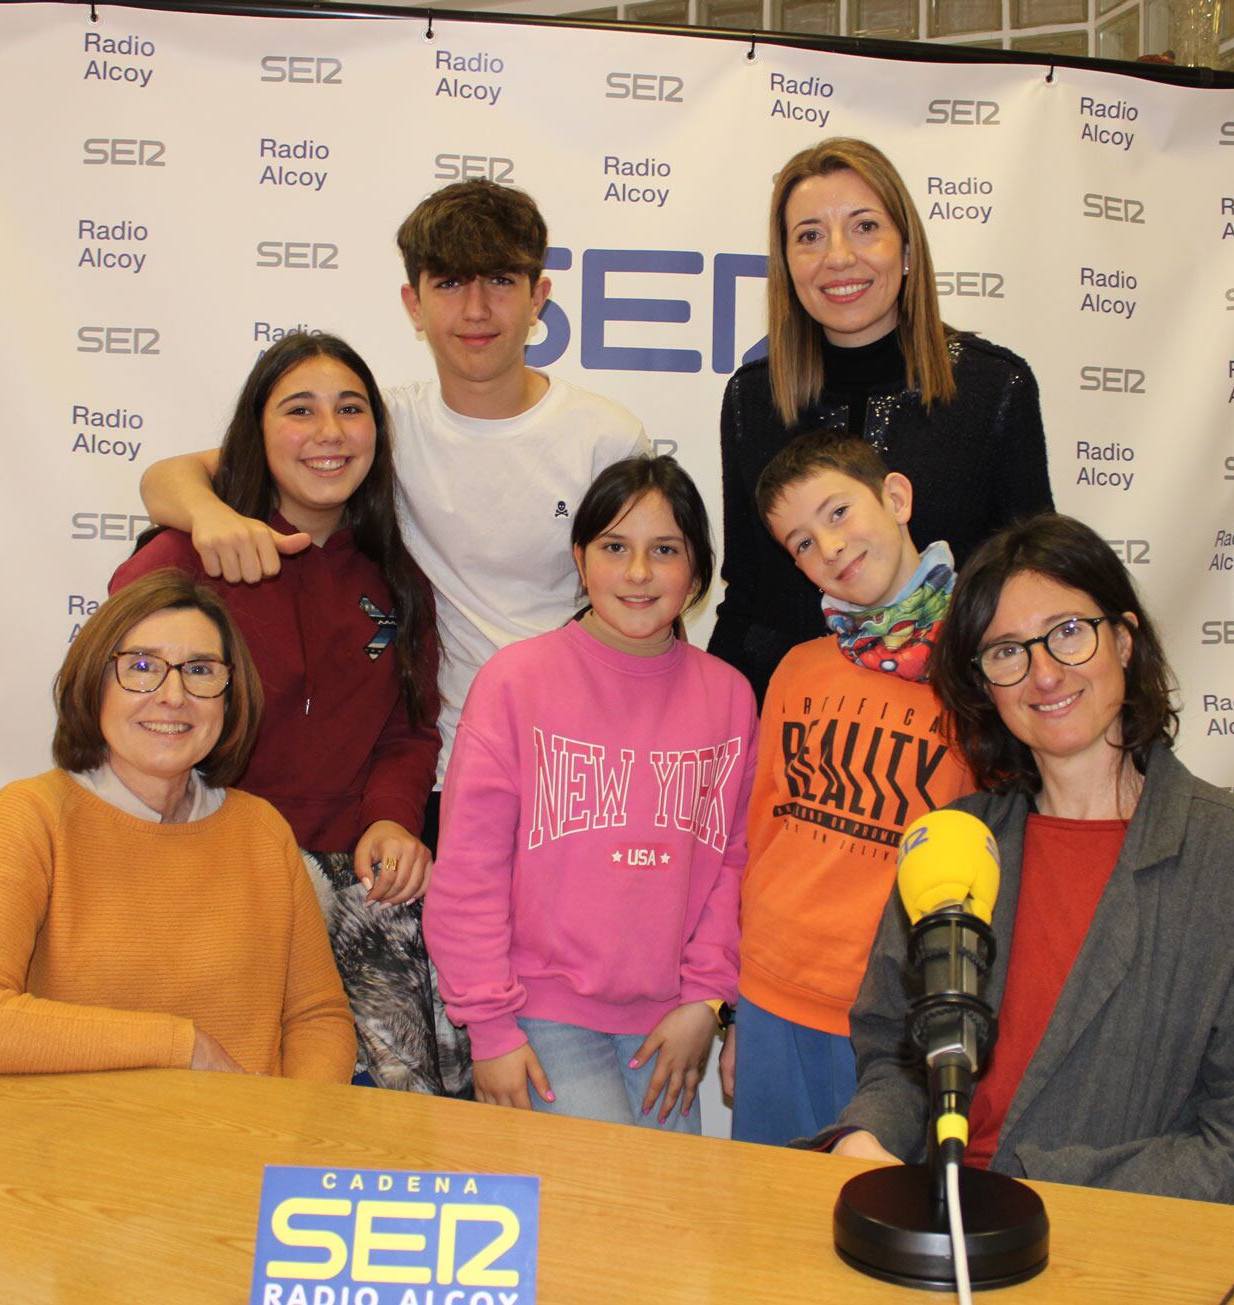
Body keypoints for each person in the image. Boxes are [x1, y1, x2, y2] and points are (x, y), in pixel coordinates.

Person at [829, 514, 1234, 1208]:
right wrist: (867, 1135)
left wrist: (1034, 1195)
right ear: (984, 685)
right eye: (1006, 651)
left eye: (1068, 632)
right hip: (934, 1223)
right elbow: (896, 1048)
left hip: (1120, 1247)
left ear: (1123, 640)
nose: (1043, 673)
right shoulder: (951, 842)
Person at [138, 181, 648, 843]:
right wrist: (210, 517)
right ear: (413, 303)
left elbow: (643, 606)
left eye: (499, 279)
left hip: (580, 767)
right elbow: (169, 476)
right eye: (449, 283)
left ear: (538, 298)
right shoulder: (377, 425)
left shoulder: (604, 437)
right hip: (445, 773)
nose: (475, 308)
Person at [110, 333, 466, 1096]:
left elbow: (410, 730)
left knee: (391, 1119)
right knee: (217, 1111)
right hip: (208, 881)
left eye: (351, 409)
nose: (329, 433)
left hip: (353, 885)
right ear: (257, 431)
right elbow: (117, 720)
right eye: (299, 410)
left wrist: (393, 819)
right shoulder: (183, 556)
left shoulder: (398, 578)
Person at [424, 456, 758, 1133]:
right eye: (614, 547)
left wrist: (705, 1002)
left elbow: (734, 862)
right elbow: (469, 870)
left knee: (665, 1222)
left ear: (696, 572)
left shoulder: (728, 695)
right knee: (586, 1220)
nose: (638, 572)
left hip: (669, 1022)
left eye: (664, 550)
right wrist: (490, 1026)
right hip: (537, 1014)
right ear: (581, 560)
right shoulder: (517, 682)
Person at [0, 570, 355, 1080]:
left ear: (229, 694)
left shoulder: (262, 831)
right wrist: (181, 1044)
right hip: (79, 1153)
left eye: (200, 669)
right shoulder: (33, 815)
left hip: (244, 1150)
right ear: (95, 682)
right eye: (143, 665)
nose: (173, 695)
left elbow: (316, 1017)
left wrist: (291, 1132)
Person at [708, 137, 1054, 702]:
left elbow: (1034, 583)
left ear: (908, 248)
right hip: (800, 734)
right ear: (786, 265)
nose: (838, 256)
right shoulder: (752, 400)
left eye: (865, 226)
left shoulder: (993, 388)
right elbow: (748, 594)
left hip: (958, 734)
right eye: (810, 236)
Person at [726, 431, 974, 1146]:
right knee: (765, 1230)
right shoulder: (798, 670)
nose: (827, 548)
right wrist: (742, 1009)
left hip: (893, 1015)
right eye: (801, 542)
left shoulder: (982, 668)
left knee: (871, 1240)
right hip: (773, 993)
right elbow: (763, 832)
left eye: (837, 513)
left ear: (895, 497)